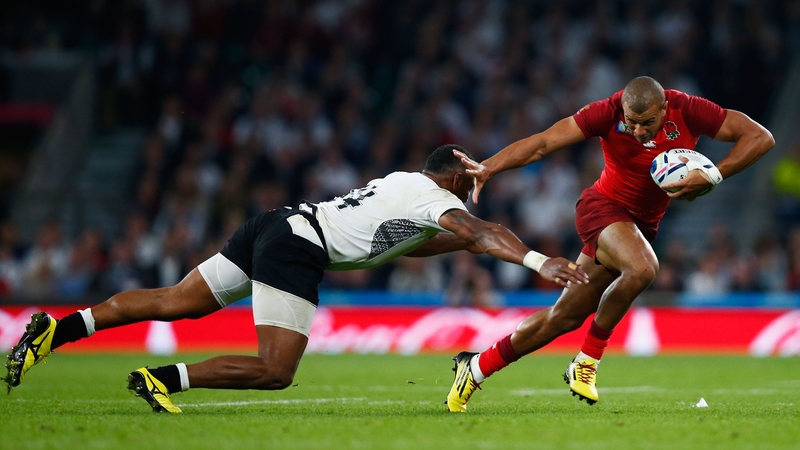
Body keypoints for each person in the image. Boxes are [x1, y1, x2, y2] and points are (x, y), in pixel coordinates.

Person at [4, 144, 588, 414]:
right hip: (297, 248)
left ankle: (57, 330)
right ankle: (164, 380)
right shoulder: (433, 194)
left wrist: (471, 236)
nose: (476, 182)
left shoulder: (402, 186)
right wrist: (539, 262)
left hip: (276, 224)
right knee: (276, 370)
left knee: (176, 301)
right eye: (472, 176)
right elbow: (479, 229)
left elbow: (431, 240)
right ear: (455, 177)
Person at [446, 76, 774, 412]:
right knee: (644, 268)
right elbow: (544, 142)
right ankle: (587, 361)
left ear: (664, 110)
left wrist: (714, 174)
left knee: (564, 316)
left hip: (640, 226)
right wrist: (490, 166)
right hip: (602, 208)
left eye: (647, 123)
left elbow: (761, 137)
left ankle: (475, 367)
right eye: (631, 122)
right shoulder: (605, 111)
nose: (638, 131)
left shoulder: (688, 109)